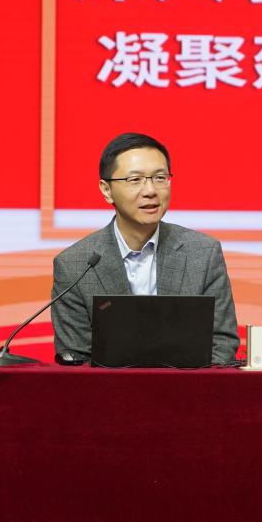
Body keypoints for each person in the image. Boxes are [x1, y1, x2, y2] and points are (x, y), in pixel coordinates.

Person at [51, 132, 239, 364]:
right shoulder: (75, 265)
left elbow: (222, 345)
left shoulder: (202, 254)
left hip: (188, 386)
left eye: (160, 178)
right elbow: (75, 359)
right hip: (107, 388)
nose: (150, 190)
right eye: (135, 179)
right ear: (107, 190)